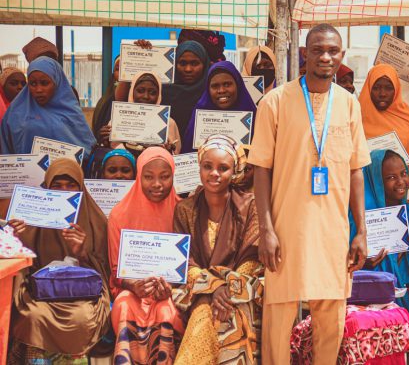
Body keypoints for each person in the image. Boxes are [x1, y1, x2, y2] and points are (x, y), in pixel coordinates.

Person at [248, 23, 371, 364]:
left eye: (333, 51)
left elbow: (356, 169)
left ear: (342, 55)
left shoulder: (348, 105)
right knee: (279, 315)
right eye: (318, 50)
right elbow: (261, 168)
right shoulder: (275, 102)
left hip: (333, 230)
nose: (325, 57)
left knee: (331, 317)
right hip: (286, 228)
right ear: (305, 54)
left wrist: (360, 230)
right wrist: (267, 230)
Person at [9, 158, 111, 363]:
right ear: (47, 187)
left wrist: (82, 253)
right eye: (57, 185)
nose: (64, 191)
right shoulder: (30, 220)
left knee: (81, 317)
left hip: (83, 293)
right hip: (40, 293)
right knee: (33, 315)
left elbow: (105, 271)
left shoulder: (96, 219)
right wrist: (17, 239)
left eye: (71, 185)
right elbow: (23, 269)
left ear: (80, 186)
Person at [172, 135, 262, 364]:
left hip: (242, 292)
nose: (214, 173)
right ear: (199, 168)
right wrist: (214, 288)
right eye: (207, 166)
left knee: (236, 317)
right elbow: (186, 261)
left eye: (223, 168)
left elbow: (251, 259)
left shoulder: (251, 205)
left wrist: (229, 290)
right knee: (204, 314)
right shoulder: (185, 210)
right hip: (201, 291)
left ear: (235, 171)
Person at [107, 147, 184, 363]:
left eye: (165, 177)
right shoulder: (119, 215)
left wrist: (171, 288)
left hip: (171, 293)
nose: (157, 184)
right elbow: (116, 272)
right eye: (148, 177)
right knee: (124, 305)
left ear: (173, 176)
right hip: (131, 292)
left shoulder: (183, 211)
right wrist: (133, 286)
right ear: (139, 176)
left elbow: (188, 266)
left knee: (166, 310)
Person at [350, 149, 409, 311]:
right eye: (391, 178)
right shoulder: (358, 220)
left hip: (399, 303)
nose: (401, 181)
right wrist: (365, 265)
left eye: (403, 173)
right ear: (376, 181)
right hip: (365, 304)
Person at [0, 56, 96, 155]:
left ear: (56, 82)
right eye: (33, 83)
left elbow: (87, 148)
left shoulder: (71, 112)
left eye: (44, 83)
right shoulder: (15, 113)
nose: (38, 89)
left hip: (63, 169)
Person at [183, 61, 257, 153]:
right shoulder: (199, 115)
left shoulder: (252, 116)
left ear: (238, 84)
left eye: (227, 84)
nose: (221, 90)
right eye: (215, 86)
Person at [101, 71, 182, 156]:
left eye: (152, 92)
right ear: (132, 92)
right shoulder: (117, 120)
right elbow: (113, 154)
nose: (145, 96)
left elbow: (175, 156)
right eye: (140, 91)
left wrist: (168, 151)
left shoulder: (169, 124)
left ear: (159, 95)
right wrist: (106, 142)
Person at [359, 63, 409, 157]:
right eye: (376, 88)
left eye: (389, 88)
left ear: (396, 89)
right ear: (369, 89)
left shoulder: (406, 118)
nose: (382, 94)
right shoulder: (356, 120)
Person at [92, 56, 120, 137]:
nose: (122, 73)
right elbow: (95, 134)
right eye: (118, 69)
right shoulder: (104, 103)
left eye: (127, 69)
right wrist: (100, 135)